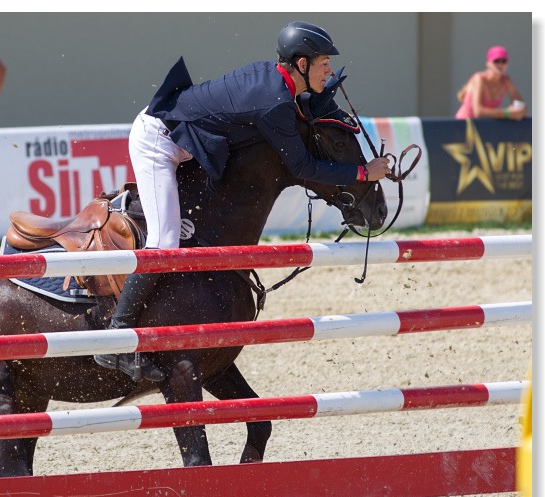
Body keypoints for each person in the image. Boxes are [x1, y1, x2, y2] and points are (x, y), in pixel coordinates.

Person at [94, 21, 391, 383]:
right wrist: (363, 175)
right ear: (301, 65)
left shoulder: (281, 85)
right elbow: (301, 165)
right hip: (159, 141)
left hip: (187, 138)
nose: (329, 69)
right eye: (323, 62)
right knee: (165, 242)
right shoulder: (274, 103)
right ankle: (115, 339)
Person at [455, 46, 526, 121]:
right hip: (464, 125)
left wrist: (519, 112)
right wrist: (507, 113)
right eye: (496, 61)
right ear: (488, 63)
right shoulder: (479, 79)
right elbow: (478, 112)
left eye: (504, 61)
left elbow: (522, 107)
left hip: (484, 126)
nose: (500, 64)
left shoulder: (506, 81)